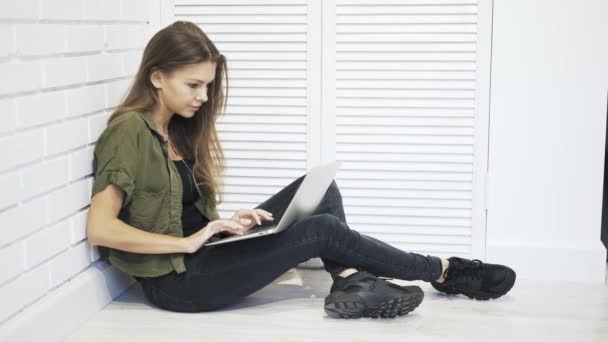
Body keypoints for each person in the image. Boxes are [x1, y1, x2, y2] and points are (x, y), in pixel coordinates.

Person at [86, 20, 516, 319]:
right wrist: (192, 238)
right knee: (323, 228)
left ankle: (350, 282)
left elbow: (178, 209)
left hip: (202, 256)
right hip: (178, 282)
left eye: (208, 86)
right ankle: (443, 270)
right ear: (157, 77)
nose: (202, 96)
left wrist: (223, 224)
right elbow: (101, 228)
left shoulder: (175, 131)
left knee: (320, 190)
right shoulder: (129, 131)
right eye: (193, 85)